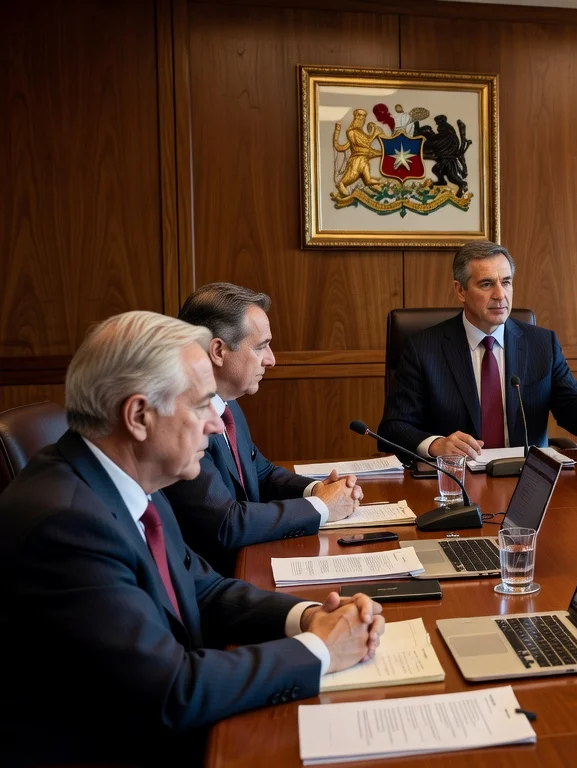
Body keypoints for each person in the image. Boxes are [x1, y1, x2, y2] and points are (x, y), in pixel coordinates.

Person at [0, 312, 385, 765]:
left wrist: (309, 617)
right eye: (201, 405)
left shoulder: (132, 479)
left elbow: (202, 588)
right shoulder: (65, 524)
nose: (217, 425)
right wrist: (321, 651)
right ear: (139, 415)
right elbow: (170, 690)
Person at [165, 283, 360, 575]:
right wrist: (320, 507)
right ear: (218, 351)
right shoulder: (183, 418)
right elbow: (224, 523)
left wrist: (316, 489)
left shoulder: (227, 402)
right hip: (217, 577)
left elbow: (260, 472)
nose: (271, 359)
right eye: (260, 347)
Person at [379, 240, 577, 459]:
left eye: (506, 282)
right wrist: (436, 445)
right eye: (486, 284)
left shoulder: (541, 345)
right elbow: (394, 427)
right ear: (460, 290)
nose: (500, 294)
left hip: (525, 480)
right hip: (456, 480)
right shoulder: (424, 349)